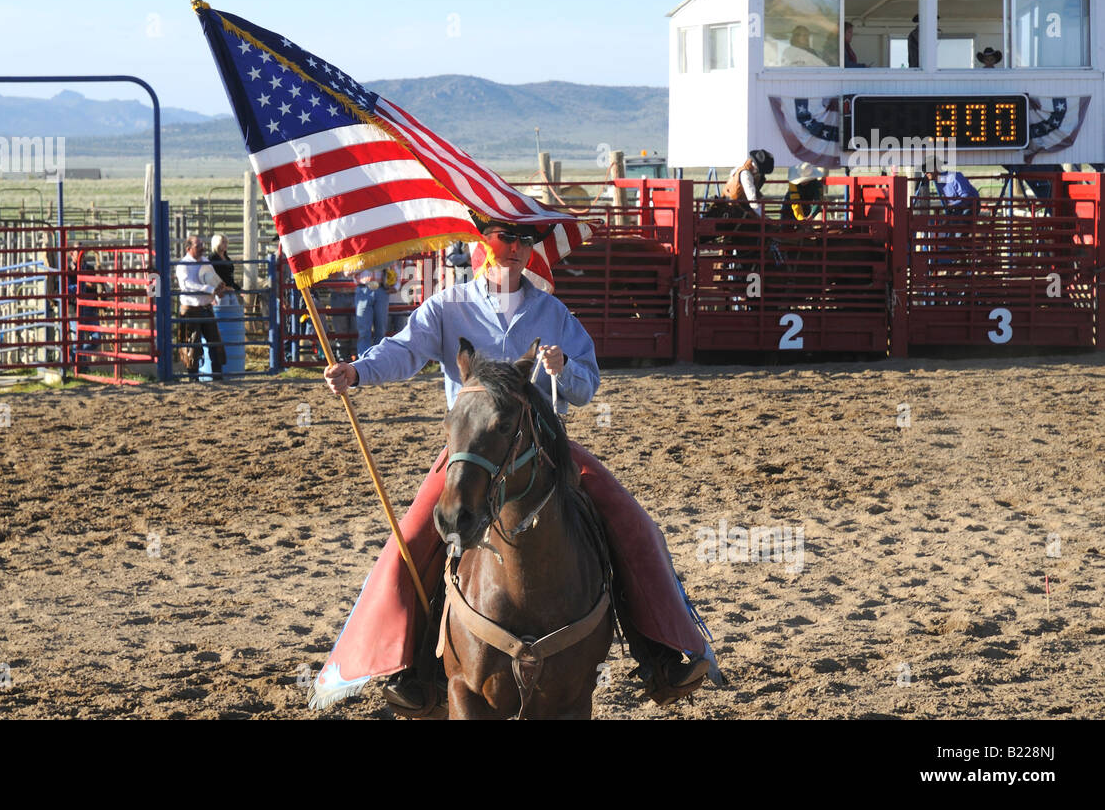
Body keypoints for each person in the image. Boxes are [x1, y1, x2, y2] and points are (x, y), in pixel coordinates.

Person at [316, 217, 716, 716]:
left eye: (527, 241)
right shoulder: (447, 306)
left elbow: (588, 385)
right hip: (471, 453)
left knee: (632, 523)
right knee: (409, 541)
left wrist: (563, 369)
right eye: (506, 239)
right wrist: (357, 371)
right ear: (485, 244)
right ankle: (408, 664)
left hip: (544, 449)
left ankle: (659, 651)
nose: (517, 249)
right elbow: (404, 350)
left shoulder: (553, 312)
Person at [175, 234, 231, 379]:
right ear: (189, 249)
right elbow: (187, 285)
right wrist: (210, 289)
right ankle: (194, 378)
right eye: (198, 246)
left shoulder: (205, 261)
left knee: (215, 343)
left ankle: (217, 376)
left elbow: (213, 278)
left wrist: (218, 289)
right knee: (192, 346)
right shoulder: (183, 265)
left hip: (205, 307)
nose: (202, 248)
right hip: (191, 308)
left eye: (201, 245)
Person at [353, 262, 395, 358]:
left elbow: (393, 264)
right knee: (364, 329)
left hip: (381, 289)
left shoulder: (383, 250)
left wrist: (396, 285)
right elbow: (347, 270)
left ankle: (378, 359)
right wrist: (366, 261)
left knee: (380, 329)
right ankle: (363, 360)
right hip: (363, 288)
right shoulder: (359, 252)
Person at [722, 148, 774, 218]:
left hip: (741, 203)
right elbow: (752, 199)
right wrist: (764, 217)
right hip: (733, 207)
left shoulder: (751, 171)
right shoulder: (746, 174)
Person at [208, 234, 239, 307]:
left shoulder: (227, 258)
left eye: (226, 242)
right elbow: (210, 276)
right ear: (217, 243)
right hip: (220, 292)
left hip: (230, 290)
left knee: (235, 313)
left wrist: (235, 287)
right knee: (224, 313)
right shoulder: (212, 258)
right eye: (223, 242)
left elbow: (230, 275)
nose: (226, 244)